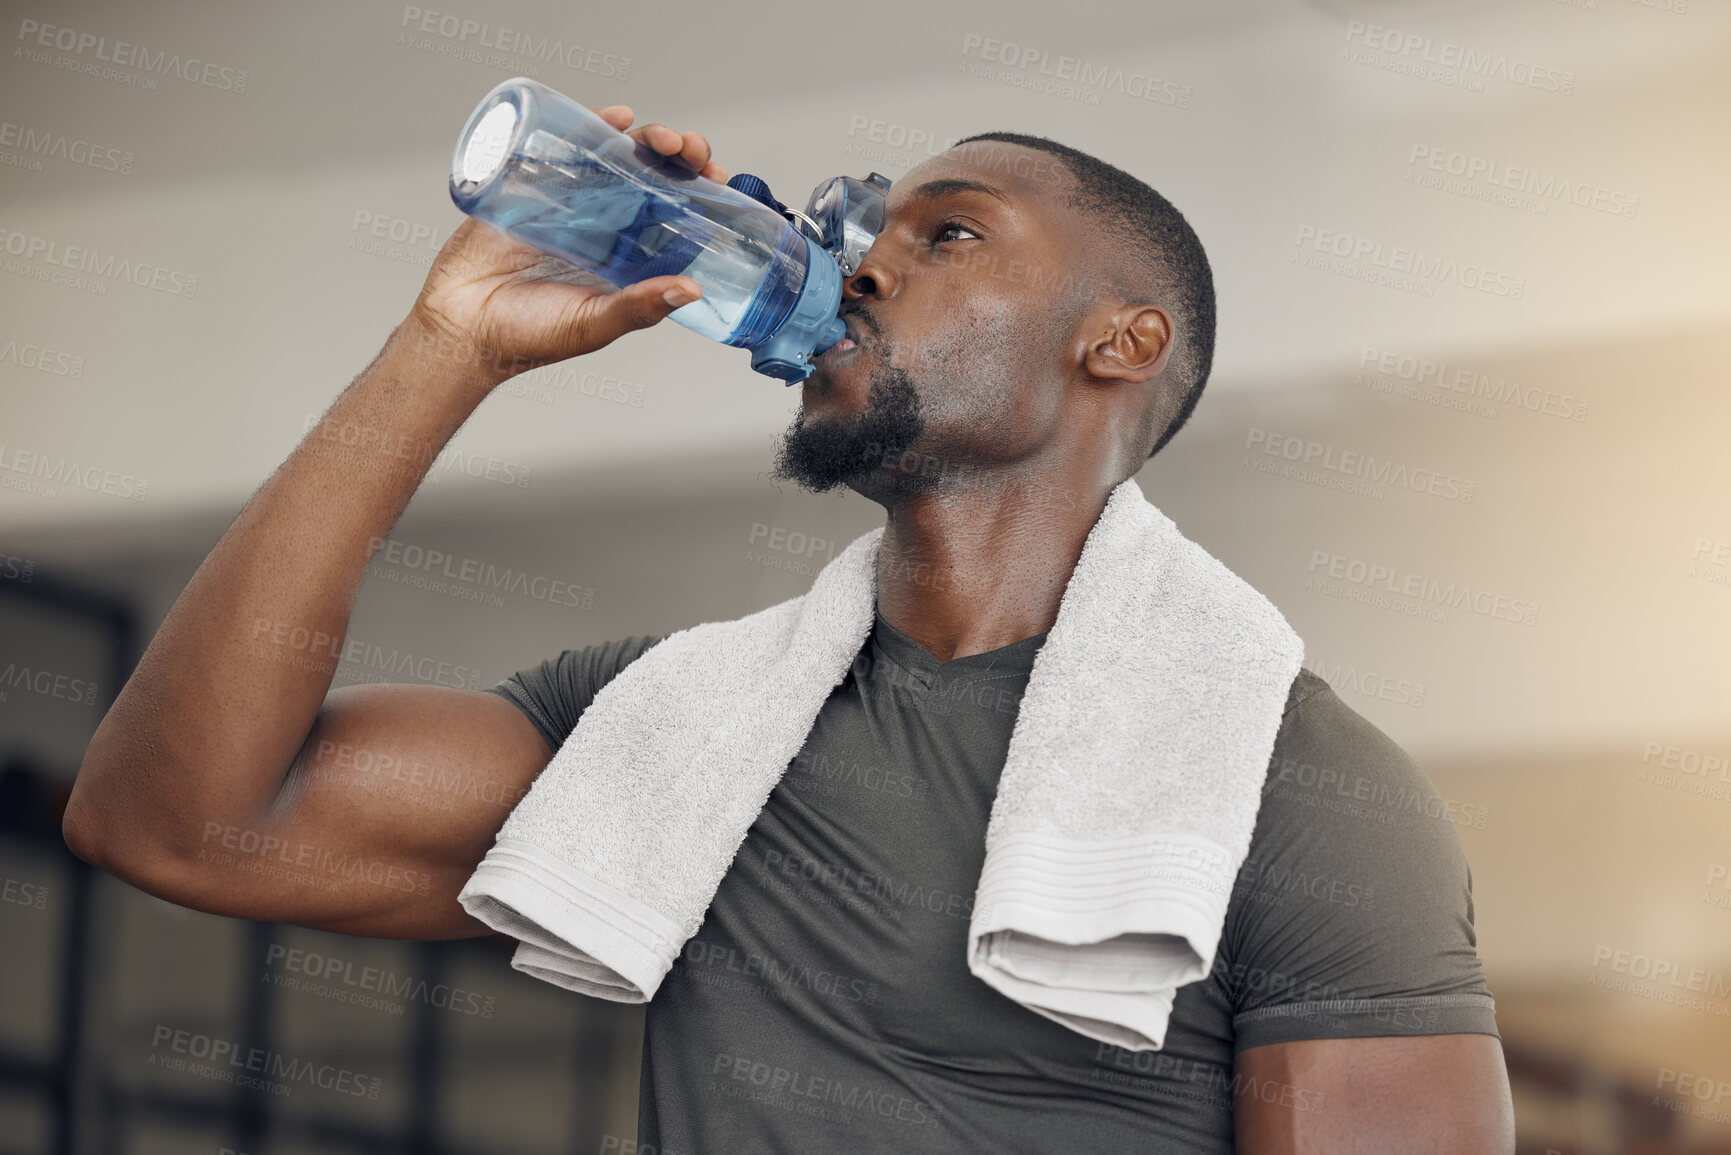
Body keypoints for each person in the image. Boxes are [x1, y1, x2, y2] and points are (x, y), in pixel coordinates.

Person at [64, 106, 1515, 1152]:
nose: (864, 267)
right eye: (869, 229)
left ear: (1119, 343)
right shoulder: (670, 728)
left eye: (947, 233)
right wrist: (444, 351)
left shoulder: (1293, 788)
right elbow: (174, 823)